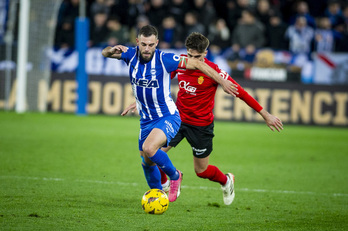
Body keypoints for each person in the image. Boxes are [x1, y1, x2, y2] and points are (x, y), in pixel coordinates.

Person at [122, 32, 283, 205]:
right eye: (190, 56)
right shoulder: (181, 63)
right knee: (152, 152)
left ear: (205, 53)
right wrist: (138, 101)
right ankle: (167, 182)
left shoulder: (214, 72)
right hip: (177, 120)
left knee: (201, 170)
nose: (193, 61)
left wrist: (265, 114)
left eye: (197, 57)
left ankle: (226, 180)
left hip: (201, 126)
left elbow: (242, 93)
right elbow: (158, 82)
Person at [102, 25, 238, 202]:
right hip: (146, 120)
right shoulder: (130, 55)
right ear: (137, 42)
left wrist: (221, 81)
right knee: (147, 162)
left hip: (168, 116)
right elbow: (105, 53)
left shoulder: (165, 59)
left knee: (150, 148)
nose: (147, 48)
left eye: (151, 44)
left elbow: (196, 63)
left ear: (157, 43)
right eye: (143, 44)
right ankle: (158, 196)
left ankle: (175, 176)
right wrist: (111, 50)